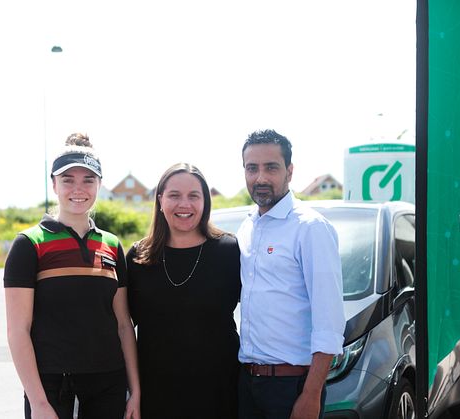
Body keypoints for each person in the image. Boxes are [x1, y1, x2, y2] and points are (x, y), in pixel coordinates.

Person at [4, 133, 140, 419]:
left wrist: (135, 391)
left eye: (88, 180)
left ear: (99, 185)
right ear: (54, 184)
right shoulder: (29, 244)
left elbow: (124, 326)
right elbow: (18, 331)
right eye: (68, 180)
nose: (78, 188)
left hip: (108, 384)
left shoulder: (112, 245)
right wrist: (39, 402)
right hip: (52, 387)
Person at [236, 129, 345, 419]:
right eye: (252, 168)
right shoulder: (248, 227)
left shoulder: (310, 228)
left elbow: (329, 322)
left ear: (290, 171)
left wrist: (310, 395)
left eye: (271, 167)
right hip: (247, 383)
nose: (260, 178)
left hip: (291, 386)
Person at [126, 163, 241, 419]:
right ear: (160, 200)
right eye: (174, 195)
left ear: (205, 201)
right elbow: (123, 329)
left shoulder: (229, 251)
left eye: (193, 196)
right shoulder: (137, 258)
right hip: (156, 394)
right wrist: (133, 392)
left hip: (219, 392)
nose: (184, 204)